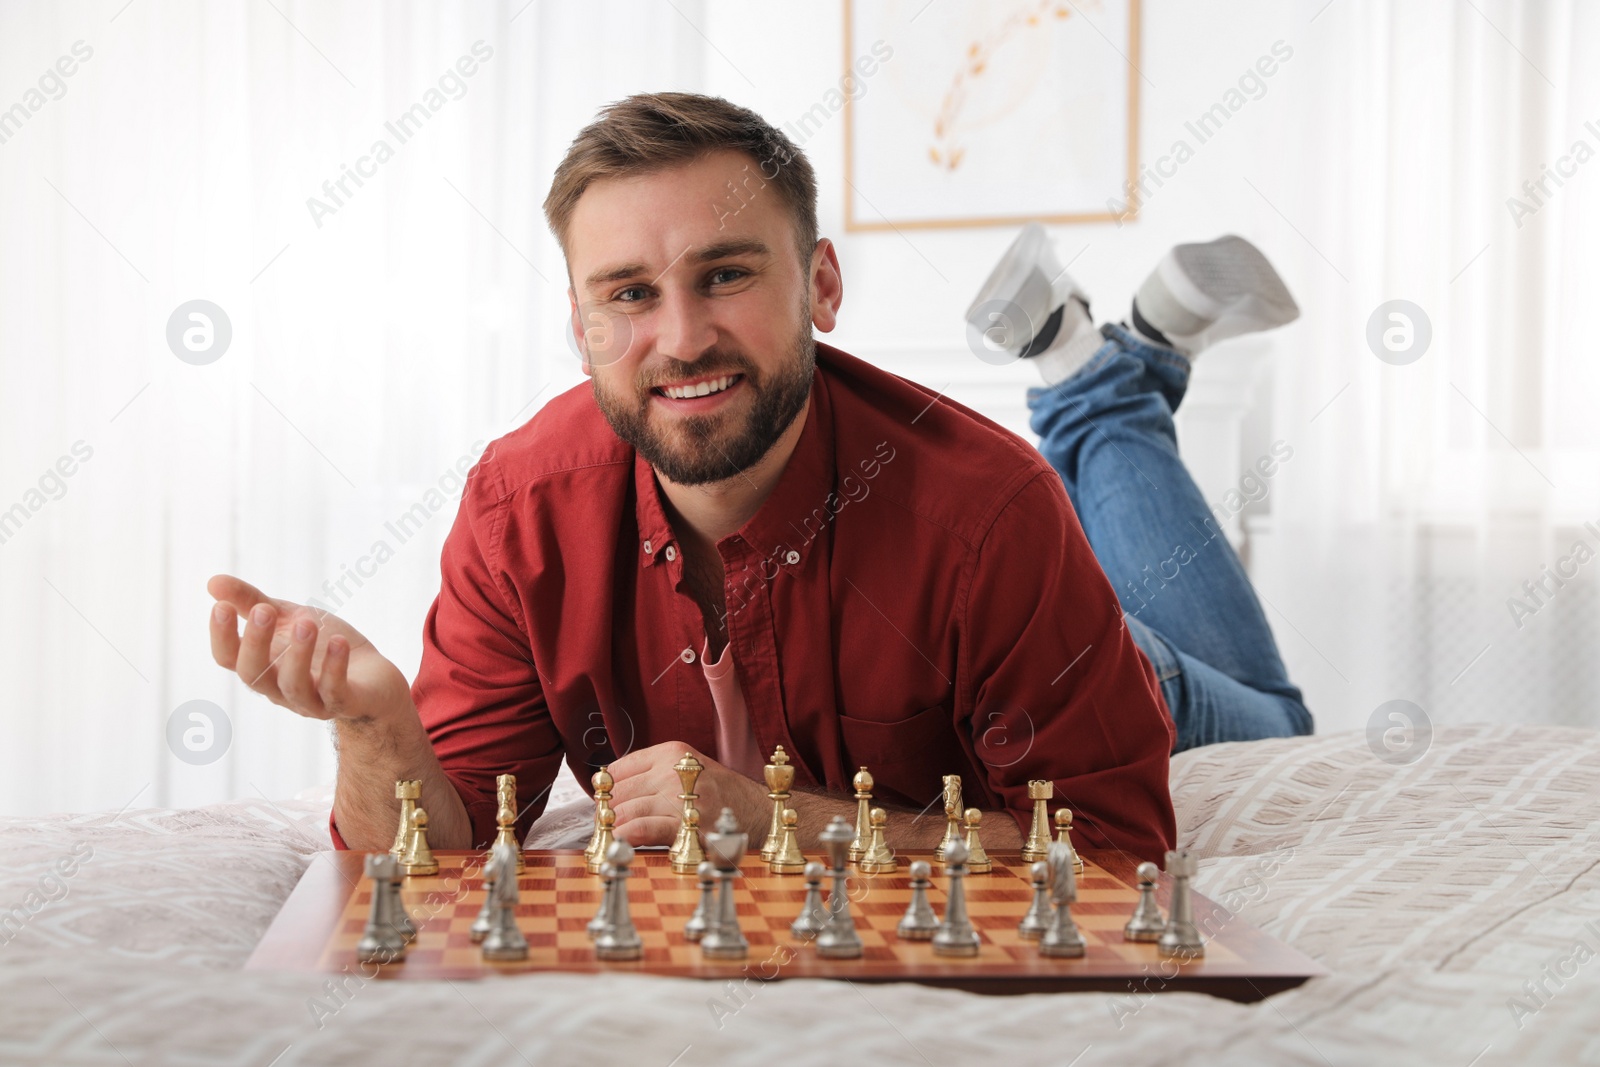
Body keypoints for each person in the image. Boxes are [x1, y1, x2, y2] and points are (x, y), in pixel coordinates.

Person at [205, 91, 1286, 865]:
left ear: (821, 282)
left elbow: (1110, 844)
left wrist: (785, 817)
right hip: (1018, 619)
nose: (679, 338)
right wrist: (375, 722)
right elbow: (435, 854)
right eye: (627, 293)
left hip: (1105, 658)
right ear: (579, 328)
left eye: (724, 275)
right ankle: (1111, 369)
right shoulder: (519, 506)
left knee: (1279, 726)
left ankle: (1102, 387)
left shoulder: (987, 515)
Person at [966, 223, 1313, 754]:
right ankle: (1102, 348)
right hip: (1063, 675)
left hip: (1026, 672)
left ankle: (1100, 350)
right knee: (1284, 728)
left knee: (1275, 717)